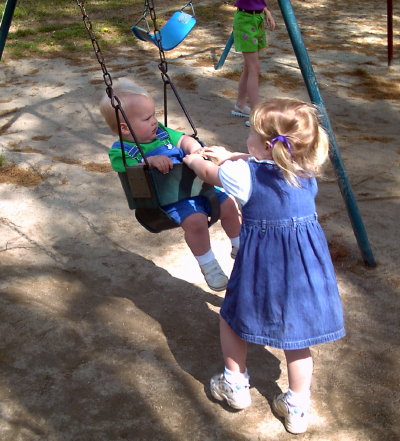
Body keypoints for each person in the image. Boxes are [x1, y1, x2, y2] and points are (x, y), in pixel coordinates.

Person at [183, 98, 346, 434]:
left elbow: (210, 174)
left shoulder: (240, 176)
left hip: (263, 264)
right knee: (297, 338)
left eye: (251, 131)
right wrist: (233, 156)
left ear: (267, 144)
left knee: (232, 317)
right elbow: (262, 165)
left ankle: (236, 386)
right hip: (303, 270)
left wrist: (194, 159)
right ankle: (297, 407)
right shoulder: (304, 170)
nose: (247, 137)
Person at [99, 78, 242, 292]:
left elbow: (184, 139)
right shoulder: (121, 151)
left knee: (230, 204)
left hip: (198, 185)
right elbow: (126, 170)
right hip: (170, 199)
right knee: (196, 221)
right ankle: (209, 265)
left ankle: (240, 246)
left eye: (154, 114)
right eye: (147, 118)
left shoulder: (163, 133)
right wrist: (147, 162)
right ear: (125, 128)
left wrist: (194, 149)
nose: (155, 121)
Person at [231, 1, 276, 126]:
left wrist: (267, 12)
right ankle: (257, 115)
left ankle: (240, 104)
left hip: (258, 18)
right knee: (254, 69)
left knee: (249, 67)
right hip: (245, 20)